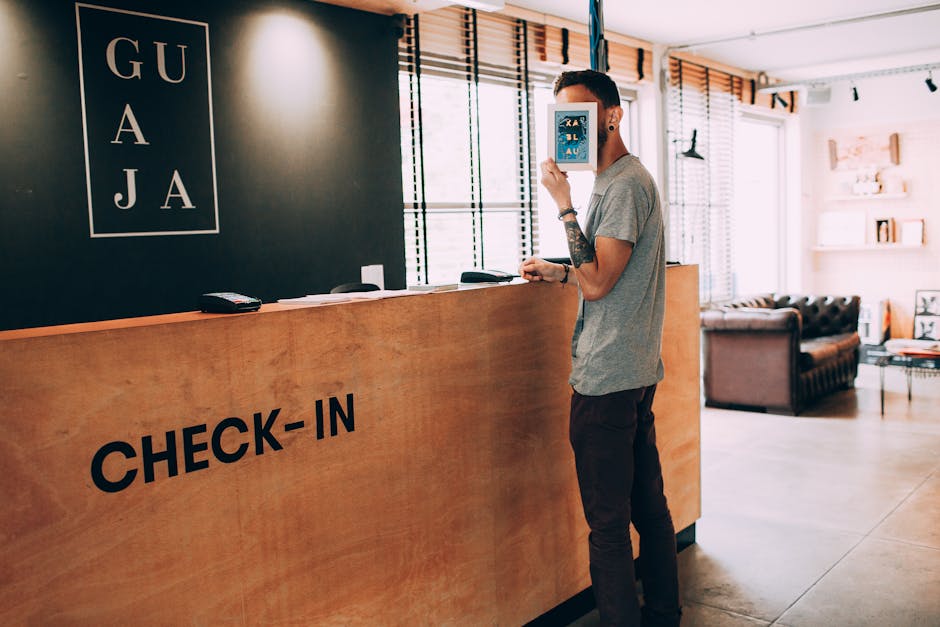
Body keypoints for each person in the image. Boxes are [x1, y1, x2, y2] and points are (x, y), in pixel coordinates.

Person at [519, 70, 681, 627]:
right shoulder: (621, 182)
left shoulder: (623, 185)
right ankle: (664, 612)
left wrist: (563, 204)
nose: (572, 128)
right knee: (648, 509)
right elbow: (602, 275)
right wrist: (559, 271)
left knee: (608, 526)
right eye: (564, 118)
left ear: (611, 116)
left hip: (606, 380)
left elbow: (599, 284)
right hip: (630, 372)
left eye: (581, 115)